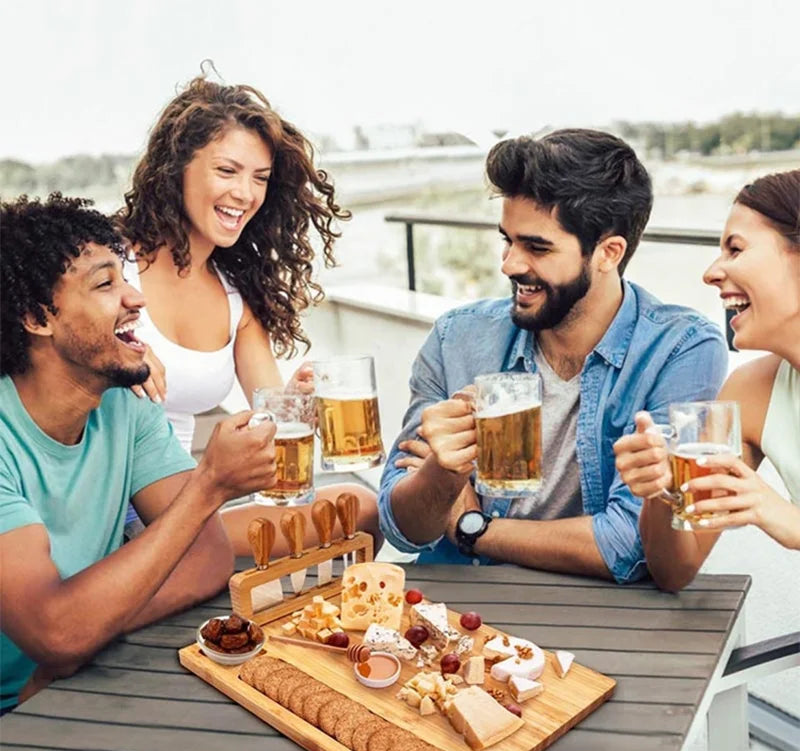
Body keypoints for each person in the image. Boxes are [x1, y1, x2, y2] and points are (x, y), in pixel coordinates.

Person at [378, 129, 729, 582]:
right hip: (460, 606)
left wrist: (474, 528)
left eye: (537, 247)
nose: (509, 264)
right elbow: (401, 528)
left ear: (608, 253)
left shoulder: (680, 349)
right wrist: (444, 476)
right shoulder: (457, 338)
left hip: (594, 615)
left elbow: (629, 542)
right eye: (507, 240)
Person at [0, 194, 278, 712]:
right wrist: (209, 484)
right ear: (38, 317)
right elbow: (54, 630)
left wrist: (87, 632)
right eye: (105, 284)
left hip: (72, 681)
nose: (136, 298)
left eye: (125, 278)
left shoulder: (124, 400)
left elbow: (209, 556)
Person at [115, 75, 379, 554]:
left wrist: (298, 402)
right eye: (228, 171)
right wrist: (114, 355)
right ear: (177, 170)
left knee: (360, 506)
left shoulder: (236, 298)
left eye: (259, 178)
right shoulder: (109, 265)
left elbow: (268, 424)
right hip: (120, 508)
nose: (245, 193)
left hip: (188, 505)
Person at [614, 170, 800, 591]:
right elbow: (674, 572)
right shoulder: (751, 393)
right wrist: (660, 492)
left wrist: (793, 522)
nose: (712, 272)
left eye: (735, 249)